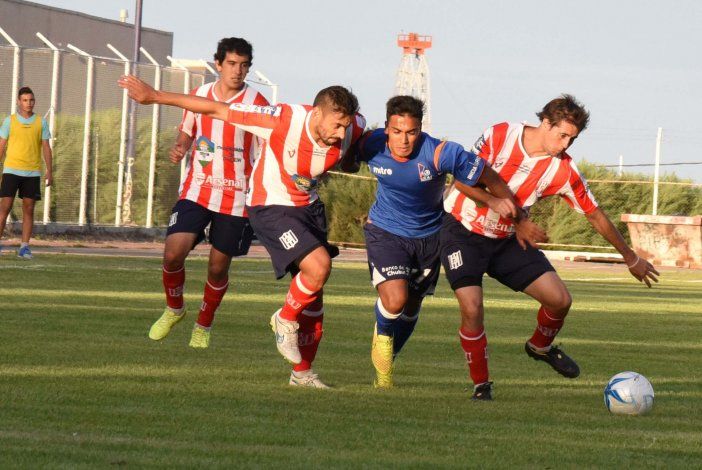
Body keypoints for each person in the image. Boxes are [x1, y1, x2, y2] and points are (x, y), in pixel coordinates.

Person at [119, 74, 366, 388]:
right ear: (316, 113)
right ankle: (283, 318)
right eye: (336, 125)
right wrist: (154, 96)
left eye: (345, 126)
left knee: (313, 296)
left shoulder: (353, 127)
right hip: (271, 206)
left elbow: (366, 145)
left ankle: (302, 374)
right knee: (319, 267)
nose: (341, 132)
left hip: (309, 209)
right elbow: (215, 108)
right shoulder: (282, 120)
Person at [440, 94, 660, 400]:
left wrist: (629, 256)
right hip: (462, 231)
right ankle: (482, 386)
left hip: (508, 240)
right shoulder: (501, 135)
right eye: (563, 135)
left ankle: (539, 347)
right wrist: (515, 217)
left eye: (573, 138)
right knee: (472, 307)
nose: (566, 144)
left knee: (560, 300)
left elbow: (594, 214)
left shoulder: (564, 170)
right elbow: (462, 181)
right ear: (545, 123)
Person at [341, 95, 544, 388]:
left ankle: (387, 360)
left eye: (411, 132)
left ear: (420, 129)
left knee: (411, 307)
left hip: (429, 237)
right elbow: (348, 163)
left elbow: (487, 174)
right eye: (397, 132)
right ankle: (383, 339)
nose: (404, 140)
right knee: (395, 300)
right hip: (385, 231)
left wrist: (517, 217)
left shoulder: (441, 152)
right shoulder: (371, 142)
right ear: (386, 128)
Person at [147, 38, 269, 349]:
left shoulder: (257, 103)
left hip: (237, 195)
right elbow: (188, 129)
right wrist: (180, 147)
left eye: (243, 65)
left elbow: (268, 146)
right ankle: (175, 308)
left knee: (218, 266)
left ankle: (203, 324)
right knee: (173, 252)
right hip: (197, 188)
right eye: (231, 64)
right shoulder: (199, 95)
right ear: (218, 64)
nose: (237, 70)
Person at [0, 87, 53, 259]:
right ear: (18, 102)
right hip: (11, 171)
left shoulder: (41, 122)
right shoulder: (10, 121)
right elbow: (1, 146)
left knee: (28, 210)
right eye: (24, 100)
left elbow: (46, 147)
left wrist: (49, 171)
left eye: (31, 100)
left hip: (32, 173)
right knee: (4, 208)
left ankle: (24, 247)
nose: (28, 103)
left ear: (34, 102)